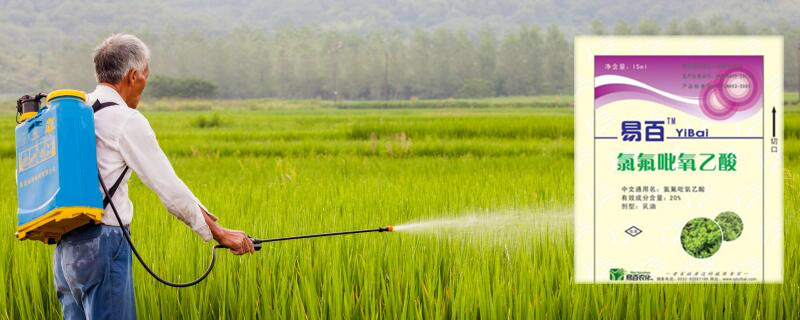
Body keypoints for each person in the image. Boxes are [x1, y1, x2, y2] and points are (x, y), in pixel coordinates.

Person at [52, 33, 255, 320]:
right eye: (146, 75)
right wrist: (219, 233)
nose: (145, 83)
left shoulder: (76, 111)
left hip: (66, 249)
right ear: (133, 76)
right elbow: (171, 190)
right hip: (103, 243)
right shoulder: (125, 120)